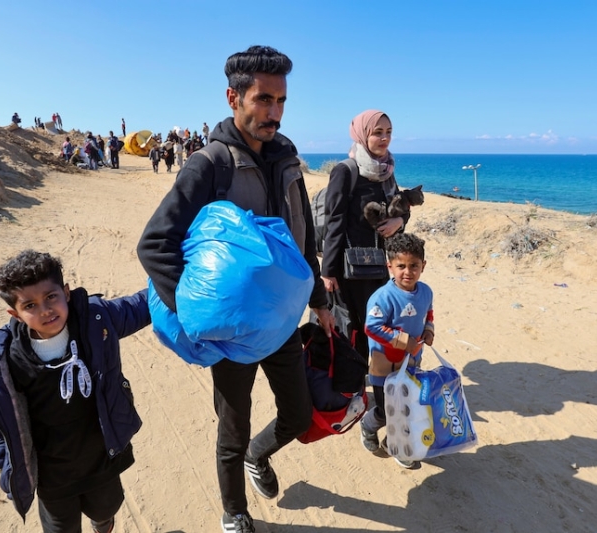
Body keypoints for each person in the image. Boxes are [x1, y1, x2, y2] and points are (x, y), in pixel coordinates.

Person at [137, 45, 334, 533]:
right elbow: (155, 243)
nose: (274, 112)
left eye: (281, 100)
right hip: (233, 333)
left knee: (297, 413)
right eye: (263, 99)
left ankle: (258, 456)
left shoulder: (288, 159)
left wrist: (320, 301)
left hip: (284, 318)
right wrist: (195, 315)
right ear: (233, 97)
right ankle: (234, 512)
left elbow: (300, 235)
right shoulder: (209, 164)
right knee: (232, 426)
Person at [0, 250, 151, 533]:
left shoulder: (96, 320)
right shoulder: (5, 361)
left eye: (51, 297)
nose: (45, 310)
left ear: (66, 292)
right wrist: (6, 466)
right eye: (30, 305)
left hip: (102, 457)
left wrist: (181, 276)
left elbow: (140, 305)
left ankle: (104, 524)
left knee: (106, 508)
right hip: (52, 474)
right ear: (15, 314)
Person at [320, 109, 409, 364]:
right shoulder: (345, 171)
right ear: (362, 134)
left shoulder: (386, 171)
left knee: (380, 325)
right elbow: (333, 222)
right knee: (355, 329)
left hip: (381, 267)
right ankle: (355, 391)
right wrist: (328, 272)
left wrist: (399, 222)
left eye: (389, 132)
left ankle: (379, 385)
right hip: (351, 269)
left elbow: (401, 207)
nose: (384, 138)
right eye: (377, 132)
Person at [359, 232, 434, 469]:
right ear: (389, 265)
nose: (408, 272)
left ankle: (398, 447)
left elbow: (428, 312)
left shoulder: (426, 292)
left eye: (414, 265)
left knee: (407, 408)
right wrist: (404, 341)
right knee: (386, 410)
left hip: (411, 364)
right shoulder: (383, 297)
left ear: (423, 266)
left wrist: (429, 329)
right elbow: (371, 327)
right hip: (384, 370)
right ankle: (368, 425)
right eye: (401, 266)